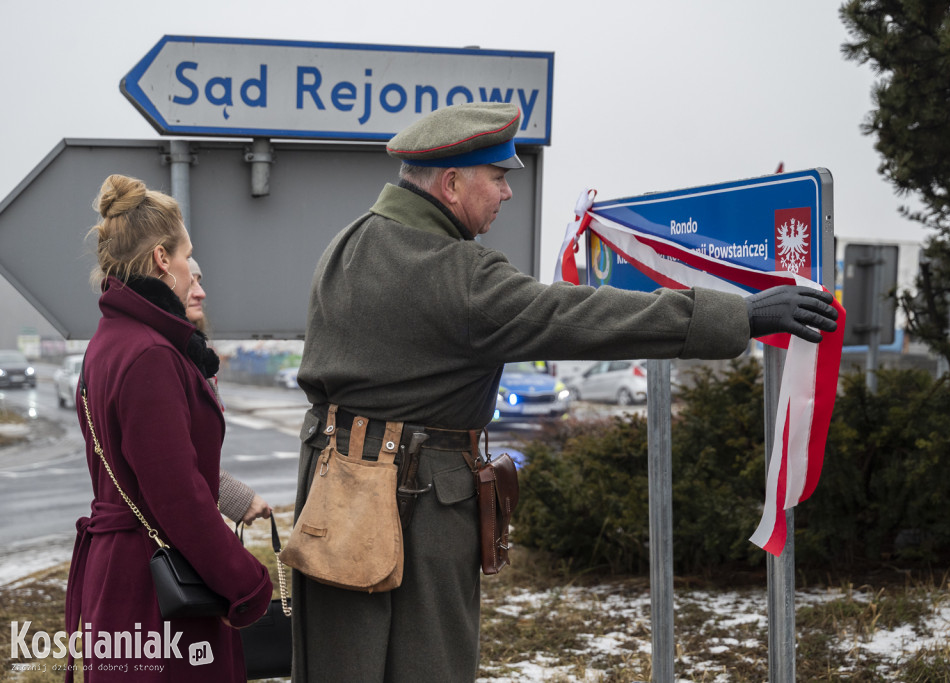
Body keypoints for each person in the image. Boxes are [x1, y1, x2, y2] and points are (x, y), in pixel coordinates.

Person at [290, 102, 839, 682]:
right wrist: (738, 316)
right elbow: (576, 315)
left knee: (337, 663)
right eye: (498, 178)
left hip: (332, 493)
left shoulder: (350, 243)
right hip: (416, 504)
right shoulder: (458, 274)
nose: (506, 194)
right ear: (451, 185)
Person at [64, 174, 272, 682]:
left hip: (126, 573)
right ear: (162, 259)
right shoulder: (151, 354)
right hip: (154, 587)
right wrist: (247, 583)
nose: (191, 270)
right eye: (186, 256)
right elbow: (177, 495)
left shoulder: (111, 341)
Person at [186, 257, 273, 526]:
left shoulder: (195, 355)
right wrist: (239, 500)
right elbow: (173, 466)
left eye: (199, 281)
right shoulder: (165, 358)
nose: (201, 292)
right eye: (190, 282)